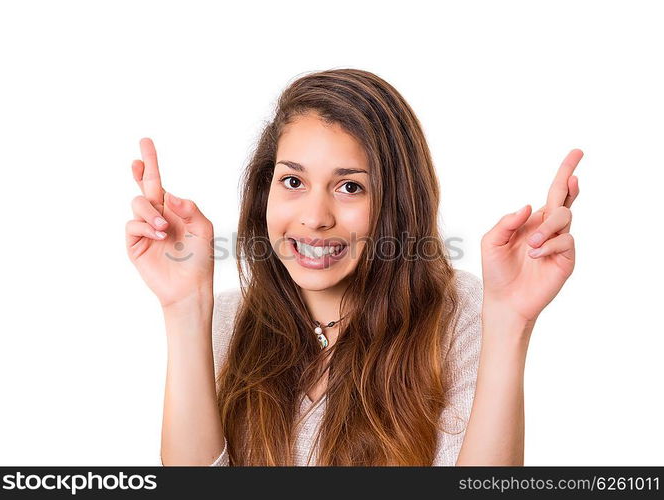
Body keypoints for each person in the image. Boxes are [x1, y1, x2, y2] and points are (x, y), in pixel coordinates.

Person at [124, 68, 582, 466]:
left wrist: (511, 322)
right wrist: (185, 306)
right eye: (293, 181)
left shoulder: (460, 316)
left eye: (349, 187)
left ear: (397, 204)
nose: (315, 217)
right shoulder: (228, 320)